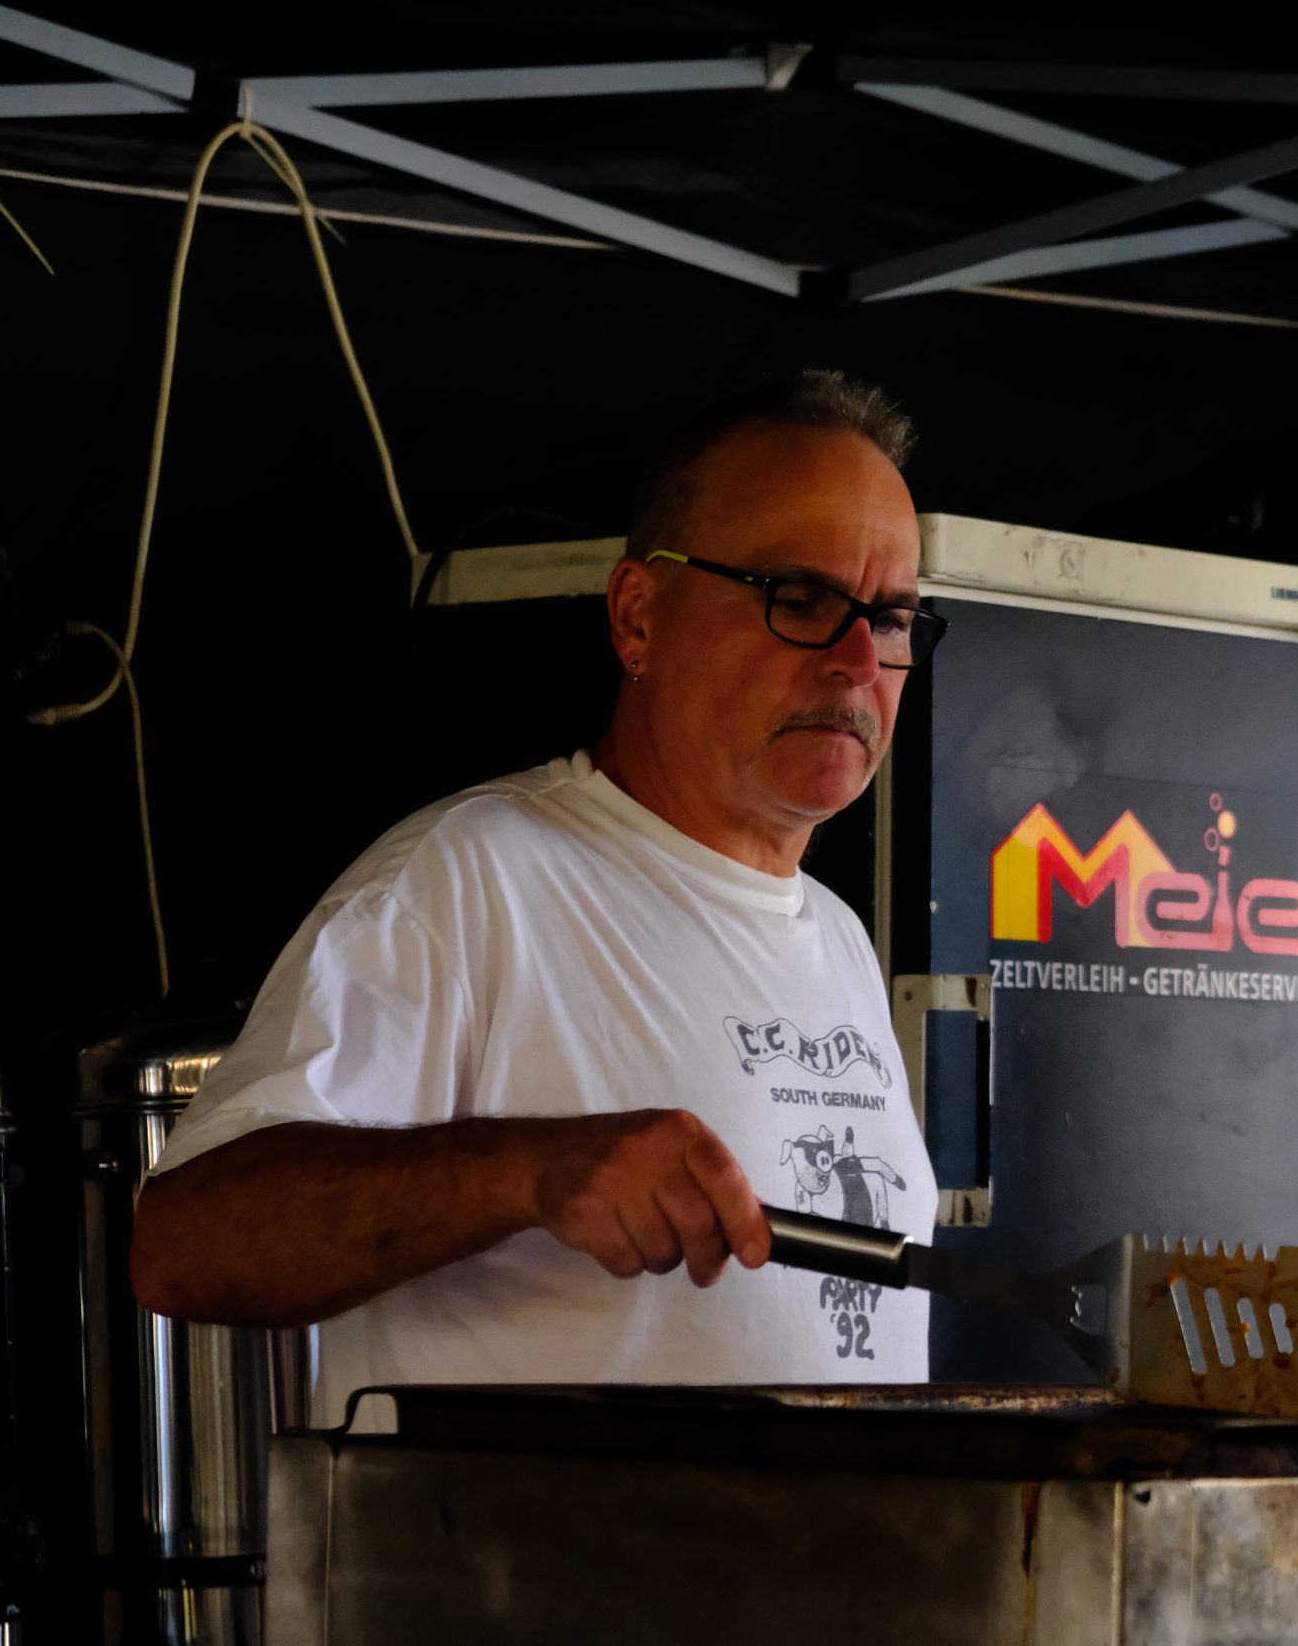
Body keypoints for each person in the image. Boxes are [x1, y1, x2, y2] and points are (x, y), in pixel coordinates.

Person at [132, 370, 948, 1425]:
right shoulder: (470, 880)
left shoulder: (837, 939)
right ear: (638, 616)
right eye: (800, 601)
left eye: (891, 618)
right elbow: (185, 1244)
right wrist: (532, 1170)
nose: (857, 661)